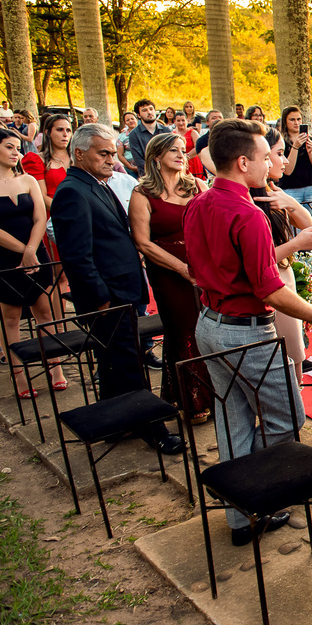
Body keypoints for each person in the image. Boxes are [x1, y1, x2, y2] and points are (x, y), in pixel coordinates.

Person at [183, 119, 312, 547]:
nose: (271, 161)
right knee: (287, 415)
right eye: (263, 155)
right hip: (245, 332)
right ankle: (255, 490)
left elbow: (195, 271)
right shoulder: (247, 214)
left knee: (233, 416)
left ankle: (240, 516)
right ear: (242, 162)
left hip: (209, 325)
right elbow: (269, 289)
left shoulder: (199, 203)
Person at [51, 125, 183, 455]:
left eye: (113, 153)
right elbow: (76, 255)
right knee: (127, 362)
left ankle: (115, 423)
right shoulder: (72, 191)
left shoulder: (96, 184)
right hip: (108, 297)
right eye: (103, 153)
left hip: (123, 289)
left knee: (115, 361)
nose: (112, 159)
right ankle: (152, 427)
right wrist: (102, 298)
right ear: (79, 154)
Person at [0, 128, 68, 394]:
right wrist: (24, 252)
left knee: (45, 312)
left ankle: (55, 366)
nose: (16, 152)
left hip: (36, 253)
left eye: (18, 148)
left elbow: (39, 218)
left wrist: (32, 250)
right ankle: (20, 375)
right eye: (10, 147)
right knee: (10, 317)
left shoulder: (28, 181)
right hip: (3, 258)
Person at [129, 133, 212, 425]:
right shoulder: (142, 193)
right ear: (155, 156)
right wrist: (181, 268)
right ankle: (192, 400)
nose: (181, 155)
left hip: (204, 269)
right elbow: (143, 242)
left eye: (182, 150)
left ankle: (218, 395)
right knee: (183, 330)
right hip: (167, 273)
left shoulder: (199, 186)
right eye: (173, 151)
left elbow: (212, 226)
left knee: (210, 327)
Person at [250, 135, 312, 383]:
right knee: (280, 356)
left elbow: (308, 225)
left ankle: (296, 404)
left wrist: (290, 202)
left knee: (295, 352)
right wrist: (295, 244)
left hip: (285, 275)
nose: (284, 161)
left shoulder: (275, 191)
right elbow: (258, 261)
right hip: (269, 281)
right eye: (278, 153)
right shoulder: (250, 201)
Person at [276, 105, 312, 215]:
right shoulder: (281, 142)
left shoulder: (311, 140)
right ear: (285, 121)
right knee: (295, 228)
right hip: (291, 189)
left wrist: (310, 152)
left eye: (298, 119)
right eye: (292, 120)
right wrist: (295, 147)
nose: (296, 123)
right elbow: (287, 171)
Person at [22, 114, 72, 214]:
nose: (65, 134)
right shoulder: (36, 160)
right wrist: (69, 213)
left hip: (82, 213)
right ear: (48, 132)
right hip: (53, 216)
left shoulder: (79, 157)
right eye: (59, 130)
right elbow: (41, 196)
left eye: (68, 130)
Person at [127, 99, 170, 176]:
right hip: (148, 177)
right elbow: (139, 161)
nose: (149, 112)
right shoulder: (134, 134)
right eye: (144, 110)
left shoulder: (166, 131)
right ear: (139, 115)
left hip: (168, 174)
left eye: (151, 109)